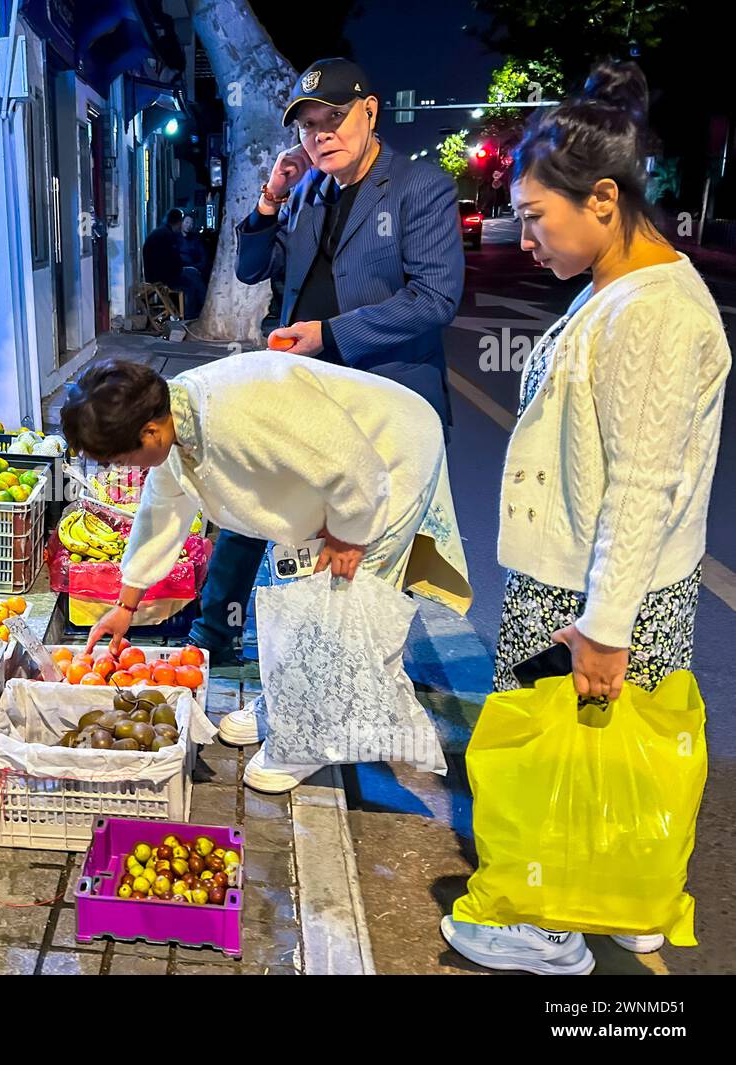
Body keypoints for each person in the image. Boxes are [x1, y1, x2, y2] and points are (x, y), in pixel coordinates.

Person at [440, 61, 731, 975]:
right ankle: (628, 897)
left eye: (535, 216)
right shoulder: (621, 286)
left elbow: (642, 485)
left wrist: (604, 629)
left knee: (557, 761)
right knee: (609, 762)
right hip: (598, 578)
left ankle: (547, 921)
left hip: (597, 589)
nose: (523, 236)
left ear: (602, 199)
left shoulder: (650, 314)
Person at [60, 353, 470, 793]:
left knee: (340, 609)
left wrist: (349, 534)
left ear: (150, 431)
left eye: (124, 459)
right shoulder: (176, 422)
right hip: (331, 479)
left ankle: (307, 741)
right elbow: (161, 510)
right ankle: (285, 699)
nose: (127, 471)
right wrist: (127, 602)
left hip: (387, 459)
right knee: (298, 594)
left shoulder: (237, 414)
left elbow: (352, 463)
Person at [188, 58, 465, 677]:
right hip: (304, 389)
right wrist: (269, 198)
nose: (321, 136)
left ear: (370, 110)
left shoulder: (421, 188)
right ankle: (225, 647)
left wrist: (329, 334)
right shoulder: (311, 188)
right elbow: (252, 271)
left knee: (353, 556)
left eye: (334, 118)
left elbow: (435, 298)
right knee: (251, 507)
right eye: (309, 126)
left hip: (381, 401)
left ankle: (336, 684)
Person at [142, 208, 206, 318]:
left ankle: (203, 306)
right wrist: (180, 269)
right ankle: (191, 315)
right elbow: (171, 260)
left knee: (193, 273)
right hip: (161, 276)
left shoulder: (161, 232)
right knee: (190, 285)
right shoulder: (167, 235)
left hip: (157, 273)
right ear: (178, 223)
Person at [178, 212, 208, 279]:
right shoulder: (174, 238)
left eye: (191, 224)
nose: (189, 225)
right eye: (187, 222)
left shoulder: (196, 239)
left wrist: (197, 268)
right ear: (181, 223)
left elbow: (203, 256)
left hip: (194, 270)